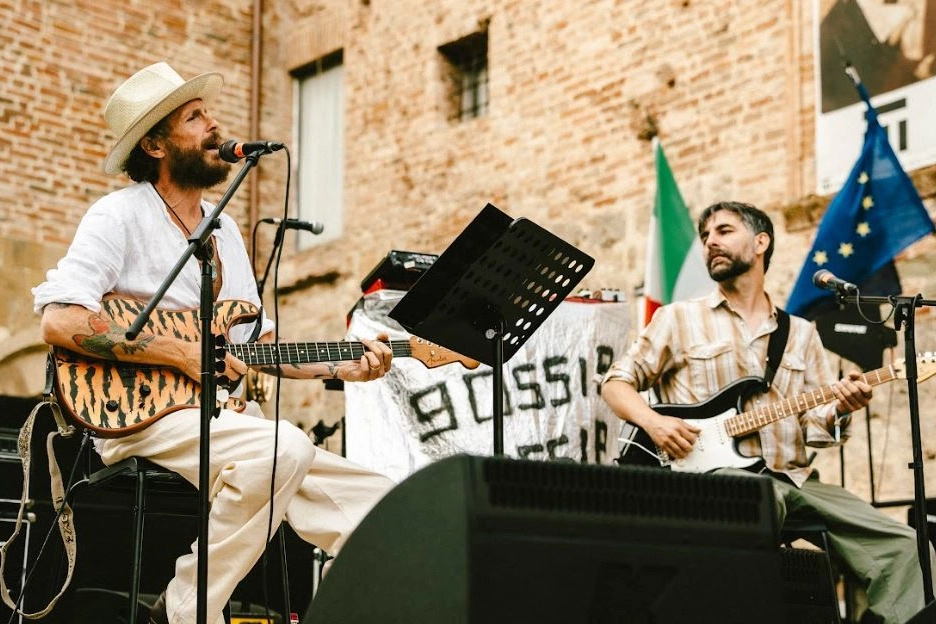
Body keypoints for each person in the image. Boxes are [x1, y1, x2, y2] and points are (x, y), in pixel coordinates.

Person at [32, 62, 396, 624]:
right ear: (153, 143)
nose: (214, 124)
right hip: (134, 415)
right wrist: (179, 352)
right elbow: (59, 321)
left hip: (217, 419)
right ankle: (183, 612)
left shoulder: (223, 232)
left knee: (385, 505)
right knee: (284, 448)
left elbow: (255, 346)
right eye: (194, 116)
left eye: (208, 111)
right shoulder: (118, 215)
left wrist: (341, 369)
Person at [601, 200, 933, 624]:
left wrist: (840, 409)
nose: (710, 243)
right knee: (755, 503)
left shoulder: (801, 334)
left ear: (761, 242)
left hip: (794, 478)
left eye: (723, 231)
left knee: (908, 547)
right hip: (714, 483)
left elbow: (815, 425)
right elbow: (615, 383)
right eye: (705, 237)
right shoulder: (678, 319)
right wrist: (654, 422)